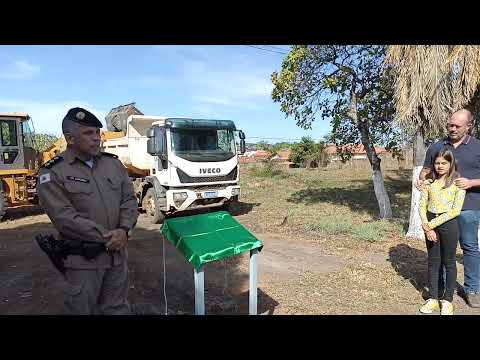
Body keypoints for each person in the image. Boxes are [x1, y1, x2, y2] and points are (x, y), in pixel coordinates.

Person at [37, 107, 138, 315]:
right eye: (88, 133)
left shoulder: (113, 164)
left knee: (117, 309)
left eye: (97, 133)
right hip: (84, 263)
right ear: (70, 138)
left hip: (117, 258)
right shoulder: (53, 172)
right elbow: (64, 218)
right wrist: (110, 237)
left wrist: (124, 229)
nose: (96, 139)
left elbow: (129, 200)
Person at [417, 109, 480, 307]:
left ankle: (473, 289)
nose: (452, 129)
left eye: (457, 126)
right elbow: (425, 173)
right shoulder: (437, 146)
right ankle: (443, 291)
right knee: (443, 250)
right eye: (450, 125)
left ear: (469, 125)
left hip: (469, 206)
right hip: (440, 211)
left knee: (469, 247)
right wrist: (422, 181)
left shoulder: (478, 147)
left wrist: (471, 183)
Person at [418, 149, 465, 315]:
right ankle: (432, 297)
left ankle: (447, 300)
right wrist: (426, 225)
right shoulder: (429, 183)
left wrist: (431, 225)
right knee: (433, 261)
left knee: (449, 261)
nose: (440, 166)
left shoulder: (458, 183)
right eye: (437, 163)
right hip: (430, 222)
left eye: (443, 163)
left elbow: (455, 210)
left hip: (448, 224)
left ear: (451, 163)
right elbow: (422, 205)